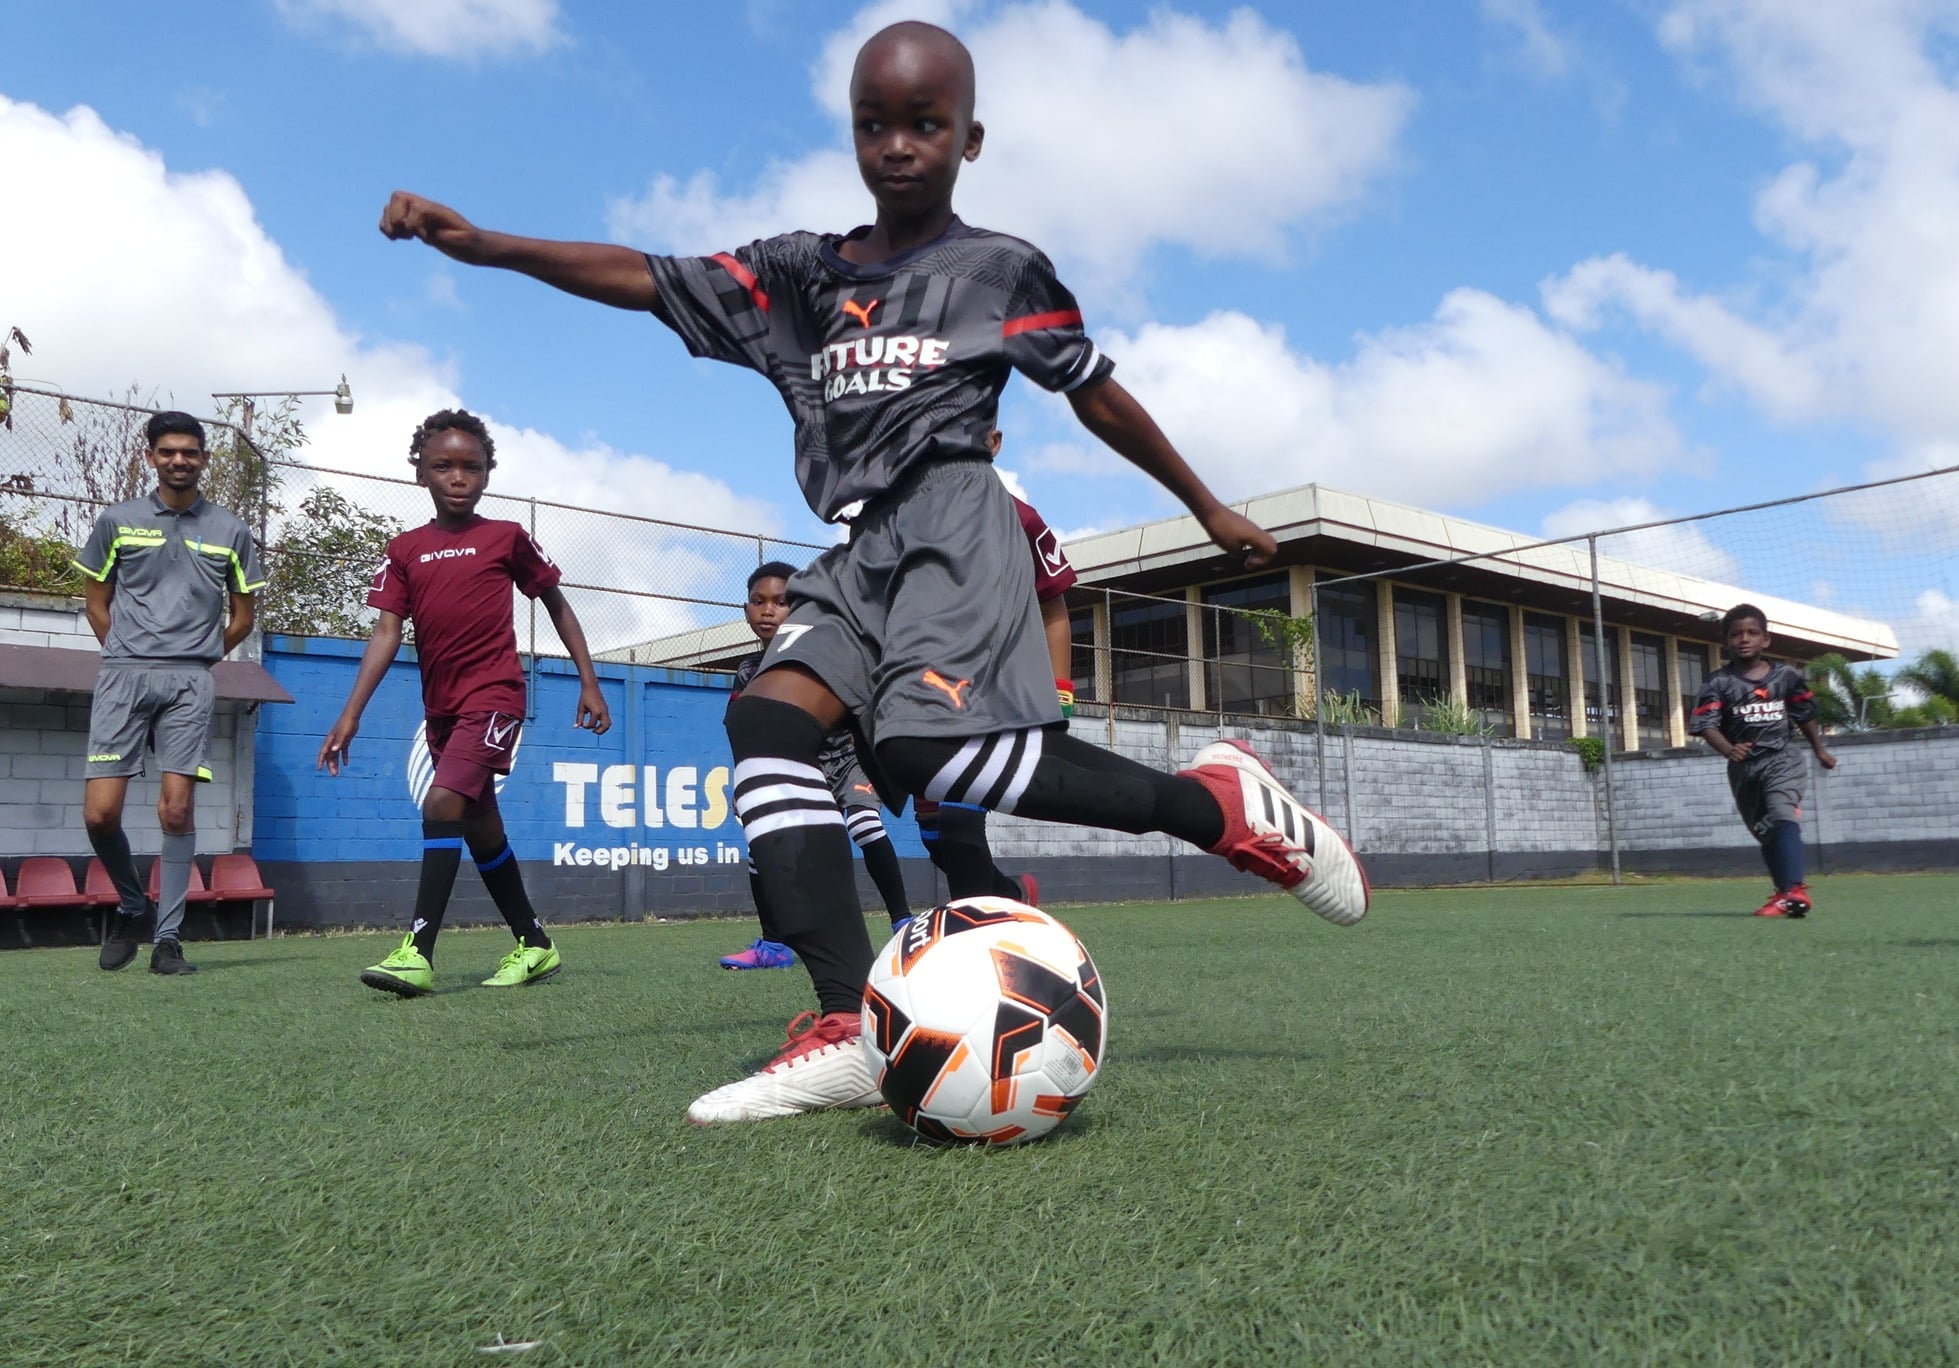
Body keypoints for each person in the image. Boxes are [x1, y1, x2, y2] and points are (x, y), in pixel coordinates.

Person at [377, 18, 1367, 1124]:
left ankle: (1212, 807)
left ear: (968, 139)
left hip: (953, 518)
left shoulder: (999, 270)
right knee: (764, 726)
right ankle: (846, 1021)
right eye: (874, 123)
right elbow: (647, 277)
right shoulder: (799, 275)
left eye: (924, 123)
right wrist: (488, 245)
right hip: (855, 547)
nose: (897, 143)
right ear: (852, 132)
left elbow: (1091, 390)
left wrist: (1205, 504)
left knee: (921, 753)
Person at [317, 410, 612, 993]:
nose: (459, 477)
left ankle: (418, 951)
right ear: (420, 474)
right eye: (443, 466)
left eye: (471, 467)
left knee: (441, 803)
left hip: (495, 697)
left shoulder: (505, 537)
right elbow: (385, 633)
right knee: (481, 828)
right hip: (442, 710)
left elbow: (556, 603)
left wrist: (590, 680)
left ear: (486, 474)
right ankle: (535, 945)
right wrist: (350, 714)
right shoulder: (404, 549)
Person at [75, 410, 263, 976]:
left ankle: (168, 941)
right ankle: (134, 903)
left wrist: (200, 656)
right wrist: (127, 653)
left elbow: (243, 616)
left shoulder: (231, 530)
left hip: (190, 680)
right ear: (151, 457)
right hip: (123, 675)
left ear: (204, 459)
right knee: (100, 815)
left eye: (190, 452)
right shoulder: (117, 520)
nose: (178, 460)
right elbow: (95, 603)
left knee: (177, 809)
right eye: (167, 452)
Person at [718, 560, 913, 969]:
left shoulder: (827, 649)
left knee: (864, 825)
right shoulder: (749, 672)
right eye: (758, 601)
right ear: (746, 610)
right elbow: (743, 731)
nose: (768, 610)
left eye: (781, 601)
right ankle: (774, 946)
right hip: (803, 768)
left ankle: (905, 927)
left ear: (802, 606)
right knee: (760, 846)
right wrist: (745, 784)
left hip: (852, 761)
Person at [914, 442, 1073, 912]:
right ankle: (1011, 895)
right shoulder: (905, 519)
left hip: (996, 691)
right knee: (934, 835)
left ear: (994, 442)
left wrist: (1060, 691)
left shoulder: (1021, 519)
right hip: (925, 694)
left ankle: (978, 935)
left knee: (960, 818)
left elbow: (1054, 607)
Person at [1689, 604, 1838, 918]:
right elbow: (1706, 725)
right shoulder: (1718, 683)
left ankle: (1793, 889)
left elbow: (1805, 715)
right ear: (1726, 642)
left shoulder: (1786, 676)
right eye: (1736, 634)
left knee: (1782, 813)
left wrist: (1818, 750)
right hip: (1744, 770)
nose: (1744, 639)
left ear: (1765, 640)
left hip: (1782, 759)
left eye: (1752, 633)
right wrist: (1729, 750)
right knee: (1766, 830)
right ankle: (1787, 894)